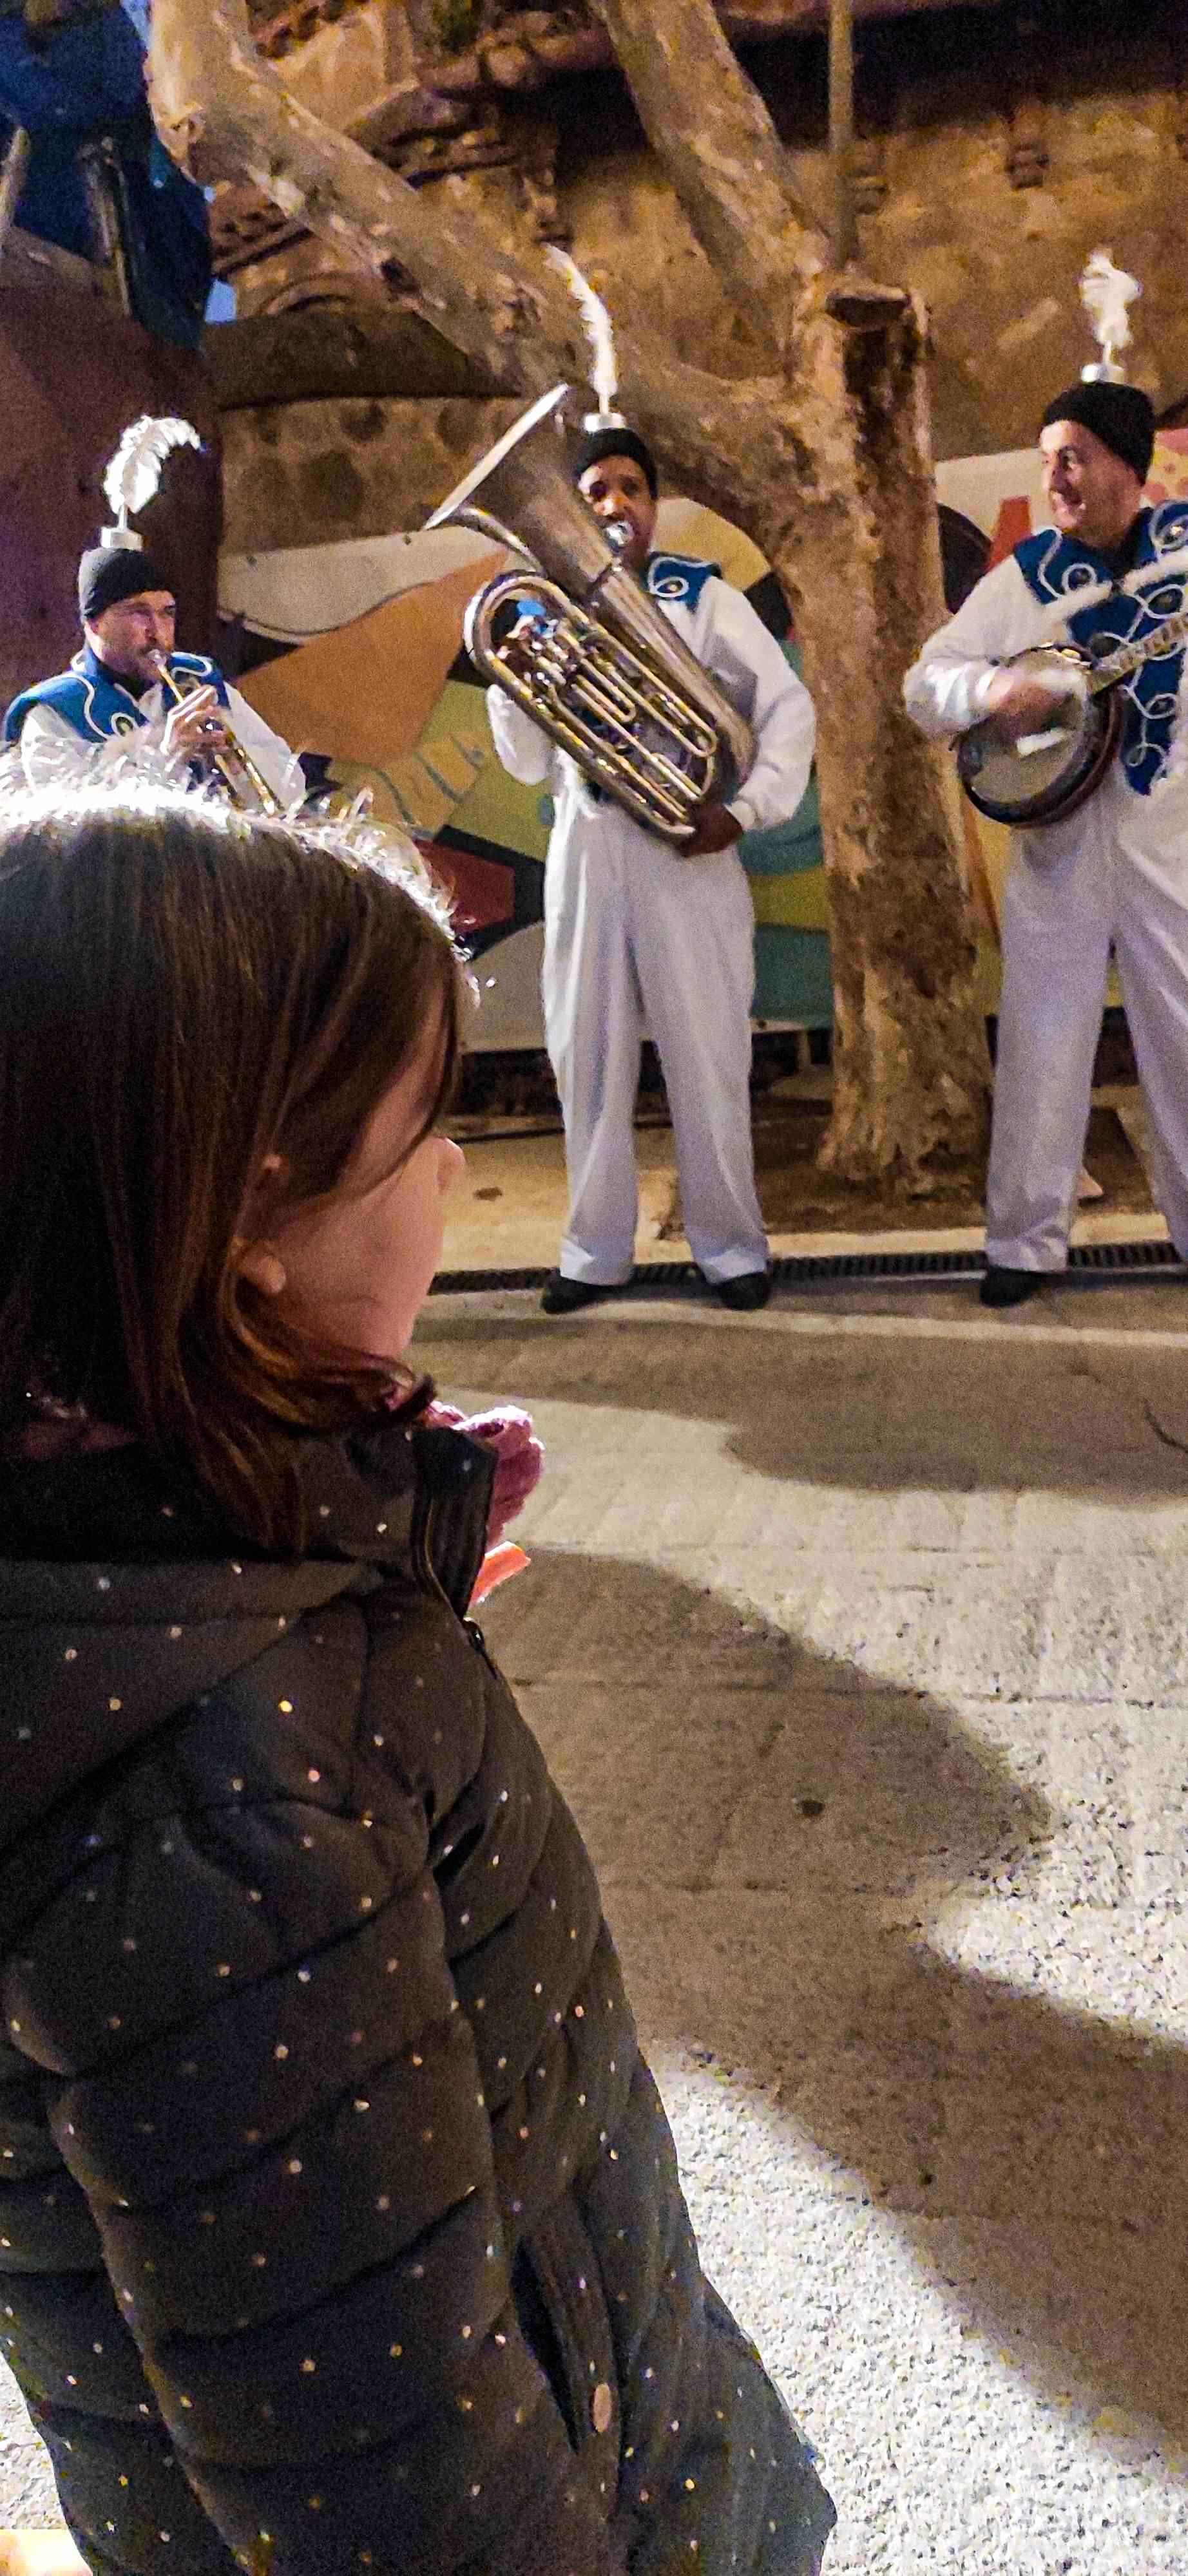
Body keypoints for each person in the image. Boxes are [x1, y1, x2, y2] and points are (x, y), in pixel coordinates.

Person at [0, 788, 836, 2576]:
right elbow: (388, 2481)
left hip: (601, 2393)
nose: (463, 1174)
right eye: (423, 1134)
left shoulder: (200, 1552)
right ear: (245, 1222)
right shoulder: (230, 1782)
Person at [485, 426, 816, 1315]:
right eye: (595, 490)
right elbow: (522, 762)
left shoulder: (702, 596)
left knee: (708, 1054)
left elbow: (785, 709)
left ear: (655, 506)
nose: (613, 505)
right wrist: (514, 671)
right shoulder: (545, 606)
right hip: (587, 844)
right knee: (583, 1056)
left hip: (688, 846)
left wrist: (746, 813)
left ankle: (732, 1248)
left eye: (630, 488)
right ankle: (593, 1253)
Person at [904, 379, 1188, 1307]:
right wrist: (988, 695)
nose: (1056, 476)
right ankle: (1024, 1246)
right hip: (1060, 848)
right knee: (1041, 1040)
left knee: (1184, 1039)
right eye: (1047, 458)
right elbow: (924, 683)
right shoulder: (1025, 578)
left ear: (1126, 466)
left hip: (1171, 840)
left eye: (1073, 456)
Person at [3, 536, 302, 808]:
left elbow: (292, 788)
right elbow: (75, 834)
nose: (157, 632)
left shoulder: (198, 681)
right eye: (138, 613)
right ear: (93, 624)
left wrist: (238, 769)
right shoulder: (53, 713)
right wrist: (166, 757)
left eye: (167, 613)